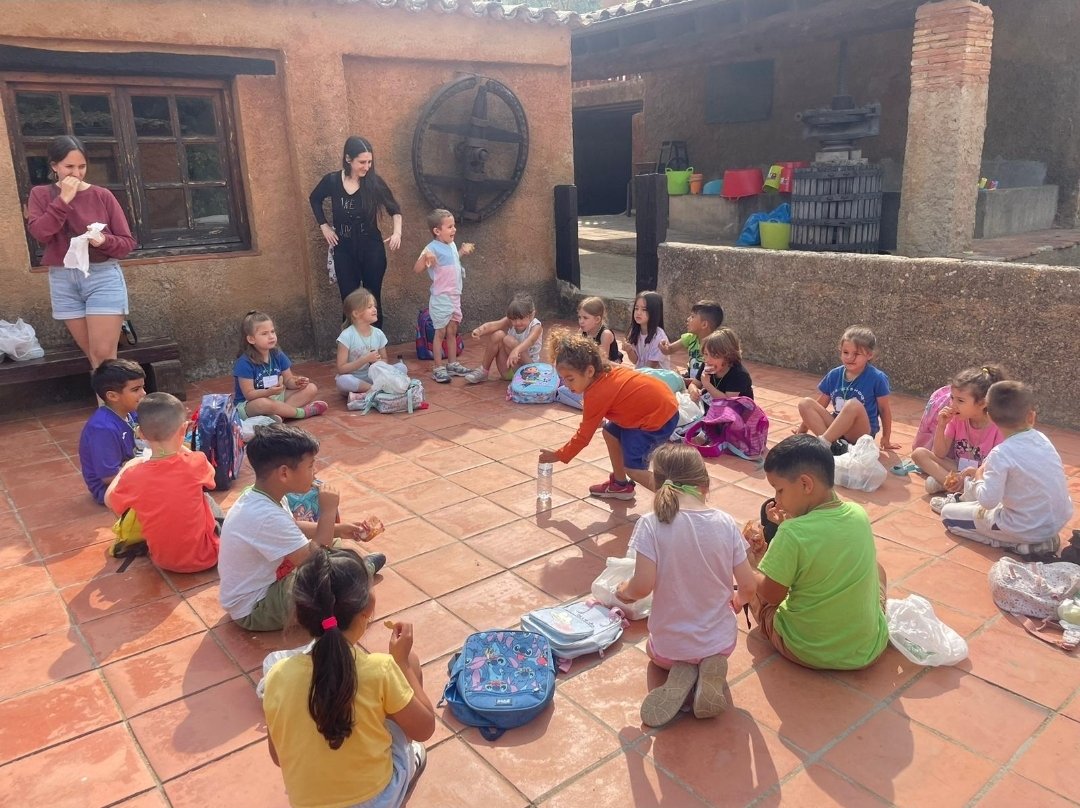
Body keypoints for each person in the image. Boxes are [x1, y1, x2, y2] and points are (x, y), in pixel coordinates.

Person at [263, 549, 434, 807]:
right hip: (377, 799)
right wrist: (401, 663)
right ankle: (408, 764)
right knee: (410, 663)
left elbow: (278, 757)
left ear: (300, 613)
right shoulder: (381, 668)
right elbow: (425, 728)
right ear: (369, 607)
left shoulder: (277, 676)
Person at [615, 444, 757, 727]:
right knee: (711, 646)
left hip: (670, 647)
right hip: (720, 644)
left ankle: (682, 671)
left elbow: (642, 586)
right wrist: (738, 601)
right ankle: (704, 670)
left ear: (657, 484)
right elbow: (749, 586)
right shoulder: (725, 523)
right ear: (705, 485)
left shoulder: (651, 524)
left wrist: (624, 592)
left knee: (652, 652)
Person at [217, 424, 387, 631]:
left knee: (334, 543)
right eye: (310, 466)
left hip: (271, 581)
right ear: (284, 474)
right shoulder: (264, 516)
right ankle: (360, 574)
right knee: (329, 571)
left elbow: (292, 526)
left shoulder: (265, 496)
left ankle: (355, 573)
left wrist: (339, 528)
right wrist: (328, 511)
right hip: (257, 608)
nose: (315, 472)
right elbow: (316, 561)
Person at [752, 434, 889, 670]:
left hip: (807, 648)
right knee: (878, 570)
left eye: (780, 490)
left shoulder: (792, 532)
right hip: (868, 648)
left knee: (754, 587)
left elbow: (771, 596)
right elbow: (823, 538)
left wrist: (753, 564)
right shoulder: (859, 513)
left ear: (806, 484)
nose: (777, 499)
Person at [26, 135, 137, 369]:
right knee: (95, 360)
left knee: (105, 357)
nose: (76, 173)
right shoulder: (41, 195)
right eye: (69, 167)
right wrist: (64, 199)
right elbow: (41, 233)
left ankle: (117, 407)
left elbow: (127, 243)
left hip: (101, 276)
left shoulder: (102, 195)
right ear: (54, 167)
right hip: (63, 278)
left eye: (82, 166)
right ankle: (106, 407)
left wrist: (103, 240)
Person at [938, 381, 1073, 556]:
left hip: (1023, 527)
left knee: (948, 516)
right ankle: (1037, 539)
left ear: (992, 418)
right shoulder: (1042, 439)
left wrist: (979, 476)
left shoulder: (1001, 453)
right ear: (1031, 417)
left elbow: (988, 502)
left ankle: (1019, 545)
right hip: (1056, 521)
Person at [539, 335, 678, 499]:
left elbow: (583, 437)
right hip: (661, 406)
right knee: (610, 433)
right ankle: (620, 485)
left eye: (570, 379)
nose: (567, 385)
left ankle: (678, 499)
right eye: (563, 379)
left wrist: (558, 455)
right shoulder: (606, 370)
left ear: (589, 371)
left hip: (657, 418)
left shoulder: (596, 394)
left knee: (633, 469)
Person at [104, 393, 222, 573]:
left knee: (146, 501)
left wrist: (127, 466)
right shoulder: (196, 462)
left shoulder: (134, 474)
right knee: (206, 498)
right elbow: (211, 477)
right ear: (184, 429)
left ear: (141, 434)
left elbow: (109, 501)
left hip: (163, 561)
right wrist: (181, 445)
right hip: (208, 557)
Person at [309, 136, 403, 325]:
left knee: (372, 299)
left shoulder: (374, 182)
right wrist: (324, 226)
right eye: (362, 162)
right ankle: (352, 350)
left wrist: (397, 233)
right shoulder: (333, 181)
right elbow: (315, 199)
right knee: (349, 301)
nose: (367, 166)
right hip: (343, 248)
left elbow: (395, 209)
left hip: (371, 248)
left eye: (369, 161)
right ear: (348, 159)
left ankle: (376, 350)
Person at [796, 325, 898, 452]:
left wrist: (886, 438)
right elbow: (821, 404)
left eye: (856, 353)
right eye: (845, 352)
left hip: (860, 433)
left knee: (853, 405)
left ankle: (823, 445)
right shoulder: (834, 375)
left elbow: (884, 410)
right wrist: (802, 430)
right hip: (836, 428)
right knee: (805, 403)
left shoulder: (877, 378)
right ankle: (832, 447)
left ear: (869, 355)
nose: (849, 357)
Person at [911, 365, 1006, 495]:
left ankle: (954, 486)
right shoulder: (957, 419)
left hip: (982, 473)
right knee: (919, 454)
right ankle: (961, 488)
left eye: (960, 400)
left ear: (983, 403)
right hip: (958, 467)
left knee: (997, 480)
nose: (952, 405)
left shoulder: (998, 426)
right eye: (952, 398)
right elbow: (939, 454)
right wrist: (941, 425)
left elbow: (997, 468)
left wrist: (975, 474)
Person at [413, 209, 474, 384]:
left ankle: (453, 363)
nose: (454, 229)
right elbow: (417, 269)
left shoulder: (452, 245)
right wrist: (425, 257)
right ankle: (438, 367)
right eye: (450, 227)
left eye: (454, 226)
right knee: (440, 332)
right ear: (437, 231)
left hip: (455, 296)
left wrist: (462, 251)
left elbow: (452, 261)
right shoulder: (431, 248)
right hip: (441, 297)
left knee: (453, 330)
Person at [234, 310, 327, 421]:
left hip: (275, 397)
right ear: (251, 339)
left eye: (272, 332)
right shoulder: (244, 362)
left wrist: (297, 382)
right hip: (251, 404)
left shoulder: (277, 354)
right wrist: (269, 392)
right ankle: (301, 413)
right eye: (264, 333)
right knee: (263, 403)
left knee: (311, 388)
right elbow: (249, 394)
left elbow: (288, 380)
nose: (271, 336)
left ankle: (276, 417)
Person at [79, 359, 146, 504]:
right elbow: (108, 477)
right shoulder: (103, 429)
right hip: (109, 489)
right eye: (136, 390)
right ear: (112, 396)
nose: (143, 393)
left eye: (142, 387)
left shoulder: (131, 412)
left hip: (134, 468)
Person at [464, 295, 543, 384]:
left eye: (521, 318)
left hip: (530, 370)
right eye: (514, 319)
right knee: (498, 335)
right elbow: (494, 325)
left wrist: (516, 350)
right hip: (509, 373)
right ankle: (483, 371)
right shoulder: (511, 321)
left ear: (531, 314)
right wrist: (479, 330)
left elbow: (530, 340)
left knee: (508, 340)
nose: (517, 322)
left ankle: (523, 377)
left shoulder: (536, 326)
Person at [335, 288, 388, 395]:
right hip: (355, 379)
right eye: (369, 307)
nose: (374, 309)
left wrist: (378, 362)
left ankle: (372, 391)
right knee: (342, 381)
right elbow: (341, 369)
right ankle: (375, 389)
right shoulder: (346, 336)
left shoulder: (378, 334)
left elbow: (385, 360)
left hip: (374, 376)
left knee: (401, 368)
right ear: (356, 313)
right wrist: (364, 360)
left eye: (374, 306)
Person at [659, 299, 723, 382]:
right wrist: (663, 345)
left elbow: (717, 374)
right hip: (690, 378)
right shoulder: (690, 337)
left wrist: (694, 383)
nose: (688, 319)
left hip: (708, 382)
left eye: (692, 317)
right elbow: (669, 350)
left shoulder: (716, 344)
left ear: (704, 324)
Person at [693, 327, 754, 404]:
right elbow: (694, 383)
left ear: (728, 356)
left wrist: (707, 385)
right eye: (706, 354)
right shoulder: (707, 364)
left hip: (736, 412)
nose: (707, 360)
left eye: (714, 355)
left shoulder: (739, 374)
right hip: (713, 408)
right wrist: (693, 390)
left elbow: (728, 402)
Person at [622, 291, 671, 371]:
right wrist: (629, 350)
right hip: (642, 374)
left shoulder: (659, 337)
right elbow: (636, 361)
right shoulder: (634, 331)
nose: (638, 312)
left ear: (654, 312)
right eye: (636, 308)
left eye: (644, 309)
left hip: (657, 377)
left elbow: (650, 367)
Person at [577, 296, 623, 363]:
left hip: (610, 364)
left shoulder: (605, 334)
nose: (581, 321)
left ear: (597, 319)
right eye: (579, 317)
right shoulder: (581, 331)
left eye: (585, 318)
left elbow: (603, 360)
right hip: (591, 362)